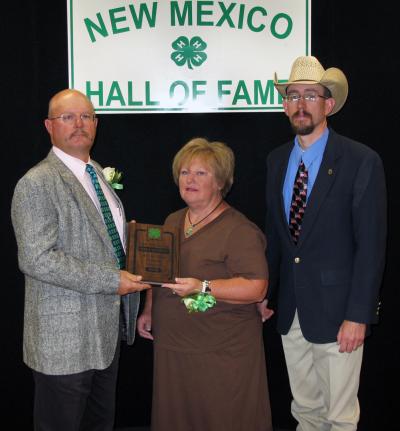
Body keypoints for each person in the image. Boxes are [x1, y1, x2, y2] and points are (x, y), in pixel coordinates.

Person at [259, 56, 387, 430]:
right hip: (292, 313)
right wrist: (267, 293)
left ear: (328, 105)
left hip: (339, 316)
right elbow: (277, 238)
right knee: (306, 412)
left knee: (341, 417)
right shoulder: (276, 161)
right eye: (293, 95)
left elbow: (371, 246)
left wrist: (359, 315)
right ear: (285, 105)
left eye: (311, 95)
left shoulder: (361, 160)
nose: (301, 103)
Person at [11, 89, 151, 431]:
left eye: (86, 116)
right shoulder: (37, 183)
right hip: (63, 342)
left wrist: (132, 243)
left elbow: (101, 241)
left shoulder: (98, 174)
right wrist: (111, 280)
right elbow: (37, 259)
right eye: (67, 117)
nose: (78, 124)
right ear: (49, 126)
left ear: (96, 124)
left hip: (104, 336)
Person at [137, 138, 273, 431]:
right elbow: (157, 271)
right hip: (174, 350)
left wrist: (204, 286)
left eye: (201, 173)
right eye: (184, 172)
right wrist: (149, 309)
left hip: (220, 354)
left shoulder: (240, 230)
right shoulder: (173, 220)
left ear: (221, 181)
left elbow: (256, 288)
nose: (190, 179)